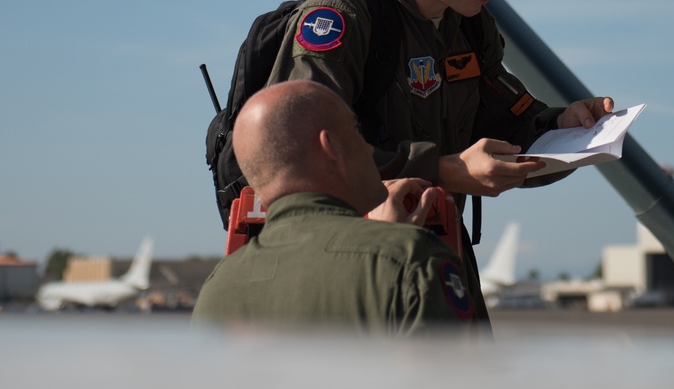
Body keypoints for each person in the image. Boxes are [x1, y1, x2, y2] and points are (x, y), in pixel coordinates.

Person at [268, 0, 614, 323]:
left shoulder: (468, 25)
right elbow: (301, 155)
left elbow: (504, 117)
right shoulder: (341, 21)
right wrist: (443, 171)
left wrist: (560, 126)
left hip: (438, 256)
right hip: (351, 270)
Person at [192, 80, 474, 334]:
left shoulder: (217, 289)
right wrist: (389, 250)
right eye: (355, 131)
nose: (368, 149)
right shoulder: (412, 261)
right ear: (331, 147)